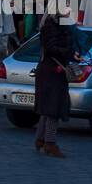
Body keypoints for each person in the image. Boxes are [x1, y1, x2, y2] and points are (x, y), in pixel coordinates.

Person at [34, 13, 75, 158]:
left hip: (52, 70)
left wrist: (72, 53)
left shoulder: (59, 26)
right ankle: (50, 143)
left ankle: (40, 139)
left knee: (48, 109)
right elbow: (51, 48)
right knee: (53, 108)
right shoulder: (50, 27)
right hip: (51, 71)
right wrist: (68, 52)